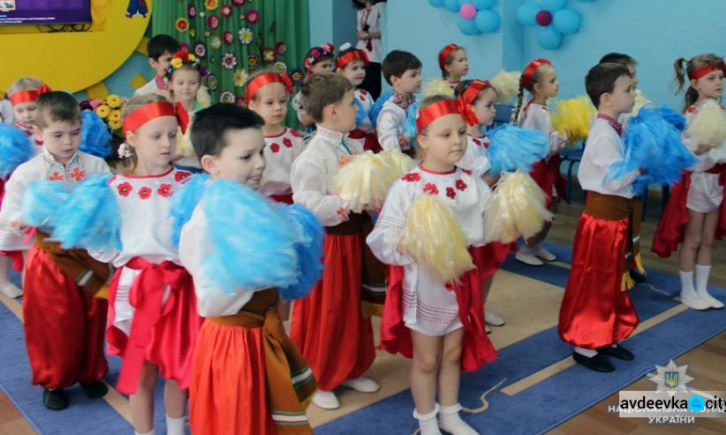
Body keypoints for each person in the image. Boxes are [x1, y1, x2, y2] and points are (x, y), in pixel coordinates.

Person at [180, 103, 316, 434]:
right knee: (240, 422)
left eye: (262, 153)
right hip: (234, 344)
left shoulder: (251, 204)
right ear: (211, 164)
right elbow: (211, 303)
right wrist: (256, 266)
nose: (259, 164)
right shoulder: (205, 222)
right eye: (246, 157)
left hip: (262, 334)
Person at [367, 95, 496, 435]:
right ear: (422, 140)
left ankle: (451, 414)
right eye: (445, 134)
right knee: (426, 359)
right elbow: (383, 238)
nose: (457, 141)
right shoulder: (407, 187)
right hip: (424, 284)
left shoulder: (470, 183)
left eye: (461, 132)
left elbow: (487, 226)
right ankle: (427, 421)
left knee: (453, 353)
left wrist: (509, 209)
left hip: (460, 285)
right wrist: (417, 243)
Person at [93, 95, 202, 435]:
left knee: (178, 368)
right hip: (137, 290)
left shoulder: (189, 184)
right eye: (156, 136)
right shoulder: (113, 189)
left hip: (182, 289)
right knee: (141, 371)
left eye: (172, 134)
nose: (167, 143)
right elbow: (100, 245)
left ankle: (175, 430)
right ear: (132, 138)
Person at [0, 92, 111, 410]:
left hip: (90, 253)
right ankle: (54, 379)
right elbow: (9, 211)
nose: (68, 142)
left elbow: (113, 202)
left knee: (93, 315)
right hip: (49, 258)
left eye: (75, 132)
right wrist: (20, 219)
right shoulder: (28, 172)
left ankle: (91, 372)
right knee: (52, 322)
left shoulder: (96, 165)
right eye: (58, 134)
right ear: (38, 133)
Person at [290, 72, 379, 410]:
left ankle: (350, 365)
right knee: (329, 309)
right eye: (350, 103)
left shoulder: (349, 143)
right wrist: (349, 203)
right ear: (331, 111)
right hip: (330, 244)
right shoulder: (313, 155)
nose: (357, 108)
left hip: (354, 238)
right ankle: (320, 374)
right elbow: (308, 203)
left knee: (353, 307)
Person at [558, 62, 639, 373]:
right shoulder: (603, 134)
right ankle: (584, 345)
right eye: (628, 90)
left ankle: (605, 334)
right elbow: (617, 179)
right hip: (601, 223)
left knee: (611, 281)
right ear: (606, 98)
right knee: (594, 282)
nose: (633, 94)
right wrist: (643, 162)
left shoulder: (612, 125)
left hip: (615, 220)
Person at [652, 54, 726, 310]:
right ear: (695, 84)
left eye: (720, 78)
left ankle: (703, 290)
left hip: (717, 184)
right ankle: (687, 291)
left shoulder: (718, 110)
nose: (719, 82)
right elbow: (682, 150)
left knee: (707, 240)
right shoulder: (691, 115)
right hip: (698, 184)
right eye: (711, 78)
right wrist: (698, 147)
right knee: (692, 240)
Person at [456, 80, 510, 328]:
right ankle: (469, 312)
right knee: (474, 268)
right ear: (468, 107)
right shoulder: (463, 146)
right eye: (489, 105)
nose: (494, 110)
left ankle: (481, 307)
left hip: (491, 213)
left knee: (490, 264)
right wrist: (492, 177)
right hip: (472, 217)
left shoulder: (488, 139)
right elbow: (465, 186)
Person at [599, 53, 648, 284]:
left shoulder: (634, 106)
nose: (636, 81)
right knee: (618, 231)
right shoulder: (605, 123)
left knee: (633, 222)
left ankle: (631, 260)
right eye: (631, 76)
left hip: (631, 180)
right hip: (614, 187)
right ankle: (619, 270)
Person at [513, 59, 567, 266]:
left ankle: (537, 244)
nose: (558, 84)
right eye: (553, 80)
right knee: (540, 209)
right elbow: (541, 145)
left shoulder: (542, 109)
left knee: (552, 207)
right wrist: (563, 136)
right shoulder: (534, 111)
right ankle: (525, 249)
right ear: (537, 87)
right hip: (535, 169)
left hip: (546, 166)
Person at [0, 77, 46, 296]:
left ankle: (35, 286)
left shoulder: (47, 131)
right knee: (5, 242)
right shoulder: (8, 137)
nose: (27, 115)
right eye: (20, 110)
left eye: (32, 108)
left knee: (31, 246)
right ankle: (3, 279)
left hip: (38, 196)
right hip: (13, 195)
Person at [246, 72, 305, 205]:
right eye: (269, 102)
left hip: (294, 205)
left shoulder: (294, 138)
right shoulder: (248, 142)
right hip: (262, 206)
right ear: (252, 105)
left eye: (282, 101)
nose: (278, 108)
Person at [158, 51, 211, 172]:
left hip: (202, 170)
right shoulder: (166, 115)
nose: (186, 87)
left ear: (199, 85)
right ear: (171, 84)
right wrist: (181, 152)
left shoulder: (204, 114)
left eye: (192, 83)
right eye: (180, 83)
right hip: (172, 170)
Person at [336, 43, 380, 151]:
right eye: (354, 68)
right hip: (348, 145)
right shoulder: (336, 96)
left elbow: (375, 119)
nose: (360, 72)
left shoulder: (365, 94)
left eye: (362, 67)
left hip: (369, 143)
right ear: (340, 72)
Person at [377, 50, 422, 153]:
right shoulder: (389, 112)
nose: (419, 79)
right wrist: (407, 136)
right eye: (413, 75)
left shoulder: (418, 104)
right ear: (395, 80)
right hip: (402, 163)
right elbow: (388, 146)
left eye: (419, 74)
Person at [350, 0, 383, 99]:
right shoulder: (360, 12)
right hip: (362, 50)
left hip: (376, 51)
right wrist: (364, 35)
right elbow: (360, 32)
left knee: (374, 85)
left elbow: (384, 31)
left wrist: (368, 35)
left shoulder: (379, 7)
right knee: (361, 84)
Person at [292, 43, 335, 130]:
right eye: (324, 66)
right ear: (311, 67)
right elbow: (305, 121)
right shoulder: (306, 91)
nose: (328, 69)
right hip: (315, 134)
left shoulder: (333, 86)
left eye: (330, 66)